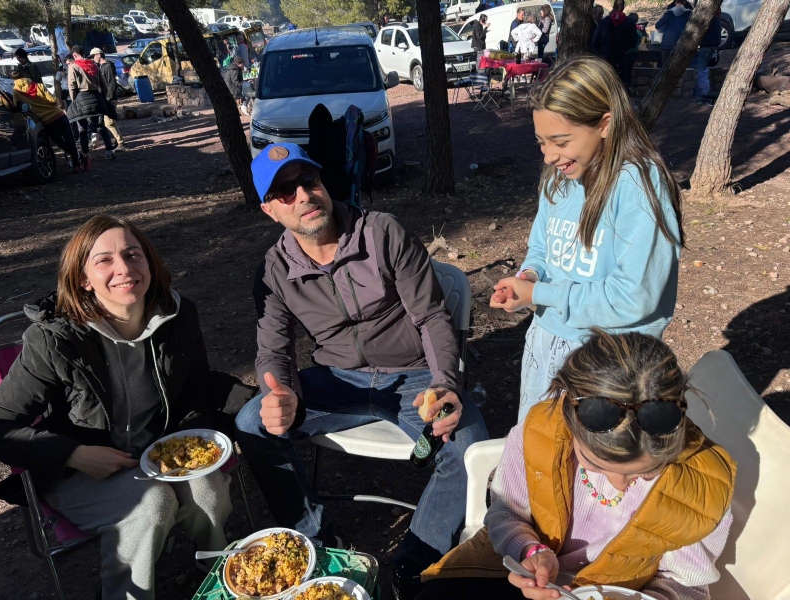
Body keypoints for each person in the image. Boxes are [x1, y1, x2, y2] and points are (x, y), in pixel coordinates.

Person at [235, 143, 489, 600]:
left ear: (323, 183)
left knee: (468, 444)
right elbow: (273, 349)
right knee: (252, 422)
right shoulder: (273, 271)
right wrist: (282, 392)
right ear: (269, 210)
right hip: (336, 380)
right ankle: (312, 540)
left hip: (412, 376)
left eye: (308, 181)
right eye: (285, 192)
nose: (304, 196)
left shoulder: (381, 232)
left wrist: (445, 384)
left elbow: (432, 317)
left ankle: (415, 560)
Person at [0, 215, 255, 600]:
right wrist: (74, 454)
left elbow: (195, 389)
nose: (125, 269)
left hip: (157, 452)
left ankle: (215, 569)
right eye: (104, 261)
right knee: (151, 505)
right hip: (78, 471)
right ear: (83, 279)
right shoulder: (54, 341)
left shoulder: (178, 317)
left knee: (207, 485)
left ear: (149, 262)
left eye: (133, 255)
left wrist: (234, 412)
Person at [414, 330, 735, 600]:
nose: (620, 484)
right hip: (519, 572)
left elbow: (686, 585)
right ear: (568, 424)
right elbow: (506, 513)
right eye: (596, 465)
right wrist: (530, 551)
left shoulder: (701, 488)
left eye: (645, 472)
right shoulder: (540, 433)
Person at [488, 56, 683, 422]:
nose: (548, 155)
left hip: (610, 363)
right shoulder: (557, 179)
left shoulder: (638, 185)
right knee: (543, 449)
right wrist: (529, 277)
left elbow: (634, 296)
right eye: (541, 141)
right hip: (546, 341)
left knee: (594, 467)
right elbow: (542, 247)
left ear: (605, 123)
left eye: (560, 141)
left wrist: (541, 294)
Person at [10, 68, 81, 172]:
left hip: (47, 121)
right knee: (70, 140)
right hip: (59, 115)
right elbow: (52, 100)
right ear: (23, 75)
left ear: (12, 78)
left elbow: (17, 105)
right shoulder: (38, 85)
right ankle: (77, 164)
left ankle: (77, 157)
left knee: (60, 143)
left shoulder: (16, 91)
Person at [66, 45, 115, 167]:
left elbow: (71, 86)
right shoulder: (94, 65)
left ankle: (86, 154)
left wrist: (73, 101)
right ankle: (109, 151)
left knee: (82, 128)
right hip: (96, 97)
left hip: (81, 98)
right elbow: (103, 85)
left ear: (75, 55)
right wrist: (103, 98)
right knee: (100, 126)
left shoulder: (73, 66)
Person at [591, 0, 639, 83]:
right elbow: (634, 42)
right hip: (622, 59)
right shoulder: (630, 23)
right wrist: (624, 48)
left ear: (614, 6)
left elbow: (595, 41)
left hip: (605, 59)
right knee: (621, 83)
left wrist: (600, 53)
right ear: (623, 8)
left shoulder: (604, 22)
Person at [91, 48, 126, 150]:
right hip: (106, 98)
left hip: (109, 99)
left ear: (98, 55)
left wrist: (109, 98)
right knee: (111, 122)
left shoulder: (108, 66)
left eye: (93, 56)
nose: (93, 59)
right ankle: (118, 141)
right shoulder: (102, 67)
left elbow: (111, 84)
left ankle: (121, 143)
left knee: (109, 123)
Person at [695, 8, 721, 98]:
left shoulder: (709, 20)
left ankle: (704, 93)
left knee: (701, 69)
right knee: (705, 68)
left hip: (706, 47)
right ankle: (705, 91)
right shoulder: (718, 19)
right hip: (714, 47)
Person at [656, 0, 691, 65]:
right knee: (678, 65)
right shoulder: (689, 13)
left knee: (664, 65)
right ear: (684, 2)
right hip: (681, 43)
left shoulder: (669, 12)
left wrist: (662, 29)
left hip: (667, 43)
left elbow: (657, 25)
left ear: (675, 2)